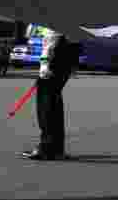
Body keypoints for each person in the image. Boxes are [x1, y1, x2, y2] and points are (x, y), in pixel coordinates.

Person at [22, 30, 80, 160]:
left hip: (54, 59)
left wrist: (44, 64)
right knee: (55, 104)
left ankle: (47, 148)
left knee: (46, 106)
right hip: (66, 58)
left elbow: (50, 41)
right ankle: (57, 148)